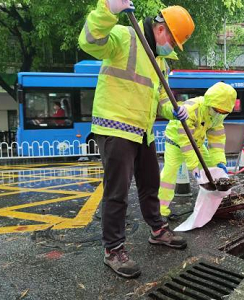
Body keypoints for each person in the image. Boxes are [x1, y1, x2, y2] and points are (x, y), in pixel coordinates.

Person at [78, 0, 195, 278]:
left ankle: (157, 230)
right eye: (173, 40)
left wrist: (173, 109)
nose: (171, 47)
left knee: (150, 183)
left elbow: (161, 99)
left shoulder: (161, 62)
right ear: (161, 28)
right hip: (115, 126)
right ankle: (114, 249)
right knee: (117, 193)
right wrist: (107, 10)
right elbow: (89, 41)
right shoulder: (124, 35)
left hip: (143, 131)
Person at [158, 82, 237, 218]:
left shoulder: (216, 118)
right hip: (175, 142)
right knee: (168, 175)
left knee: (212, 168)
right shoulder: (191, 109)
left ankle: (216, 203)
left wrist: (220, 162)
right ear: (210, 104)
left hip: (197, 144)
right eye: (218, 110)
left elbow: (217, 142)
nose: (220, 114)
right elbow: (185, 141)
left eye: (224, 112)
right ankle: (160, 209)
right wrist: (193, 165)